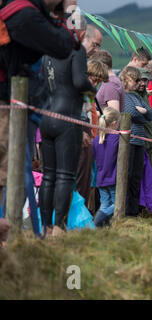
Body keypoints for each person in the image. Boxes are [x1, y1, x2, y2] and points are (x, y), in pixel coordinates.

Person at [0, 0, 79, 209]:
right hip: (10, 107)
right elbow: (69, 43)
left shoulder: (21, 10)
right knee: (15, 178)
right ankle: (11, 237)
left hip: (22, 104)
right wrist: (70, 11)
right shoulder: (25, 13)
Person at [39, 16, 97, 237]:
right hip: (67, 118)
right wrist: (93, 92)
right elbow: (79, 82)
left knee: (48, 175)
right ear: (80, 32)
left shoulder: (45, 48)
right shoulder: (75, 49)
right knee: (64, 176)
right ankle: (58, 229)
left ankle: (44, 227)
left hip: (46, 117)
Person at [119, 66, 152, 217]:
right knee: (128, 175)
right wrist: (146, 115)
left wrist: (145, 113)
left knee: (137, 176)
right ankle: (126, 210)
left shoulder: (137, 97)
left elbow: (148, 111)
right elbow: (131, 113)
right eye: (135, 80)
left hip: (139, 142)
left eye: (138, 80)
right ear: (125, 79)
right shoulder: (123, 95)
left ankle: (134, 210)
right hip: (128, 141)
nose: (137, 83)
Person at [76, 58, 108, 206]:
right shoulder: (78, 87)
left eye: (98, 82)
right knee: (79, 176)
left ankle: (84, 211)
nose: (95, 84)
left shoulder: (89, 93)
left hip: (87, 130)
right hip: (77, 128)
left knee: (87, 178)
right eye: (94, 80)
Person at [92, 107, 120, 227]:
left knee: (104, 204)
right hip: (113, 179)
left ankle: (104, 228)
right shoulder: (118, 139)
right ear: (114, 123)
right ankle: (96, 222)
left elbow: (94, 158)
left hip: (101, 179)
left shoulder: (96, 140)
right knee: (116, 205)